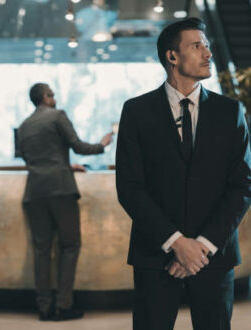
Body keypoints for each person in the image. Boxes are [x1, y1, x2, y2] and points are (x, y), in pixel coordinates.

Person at [116, 17, 251, 330]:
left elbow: (243, 185)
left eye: (206, 45)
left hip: (214, 256)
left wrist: (199, 246)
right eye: (196, 45)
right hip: (155, 255)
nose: (208, 53)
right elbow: (130, 188)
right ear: (172, 57)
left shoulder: (230, 111)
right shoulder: (136, 111)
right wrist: (177, 243)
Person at [18, 83, 113, 321]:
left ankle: (44, 308)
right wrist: (102, 145)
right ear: (47, 97)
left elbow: (33, 159)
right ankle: (64, 305)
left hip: (34, 191)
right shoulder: (57, 115)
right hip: (60, 189)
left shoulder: (24, 126)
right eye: (52, 94)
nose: (55, 98)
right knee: (69, 246)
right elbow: (78, 146)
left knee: (41, 251)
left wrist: (63, 163)